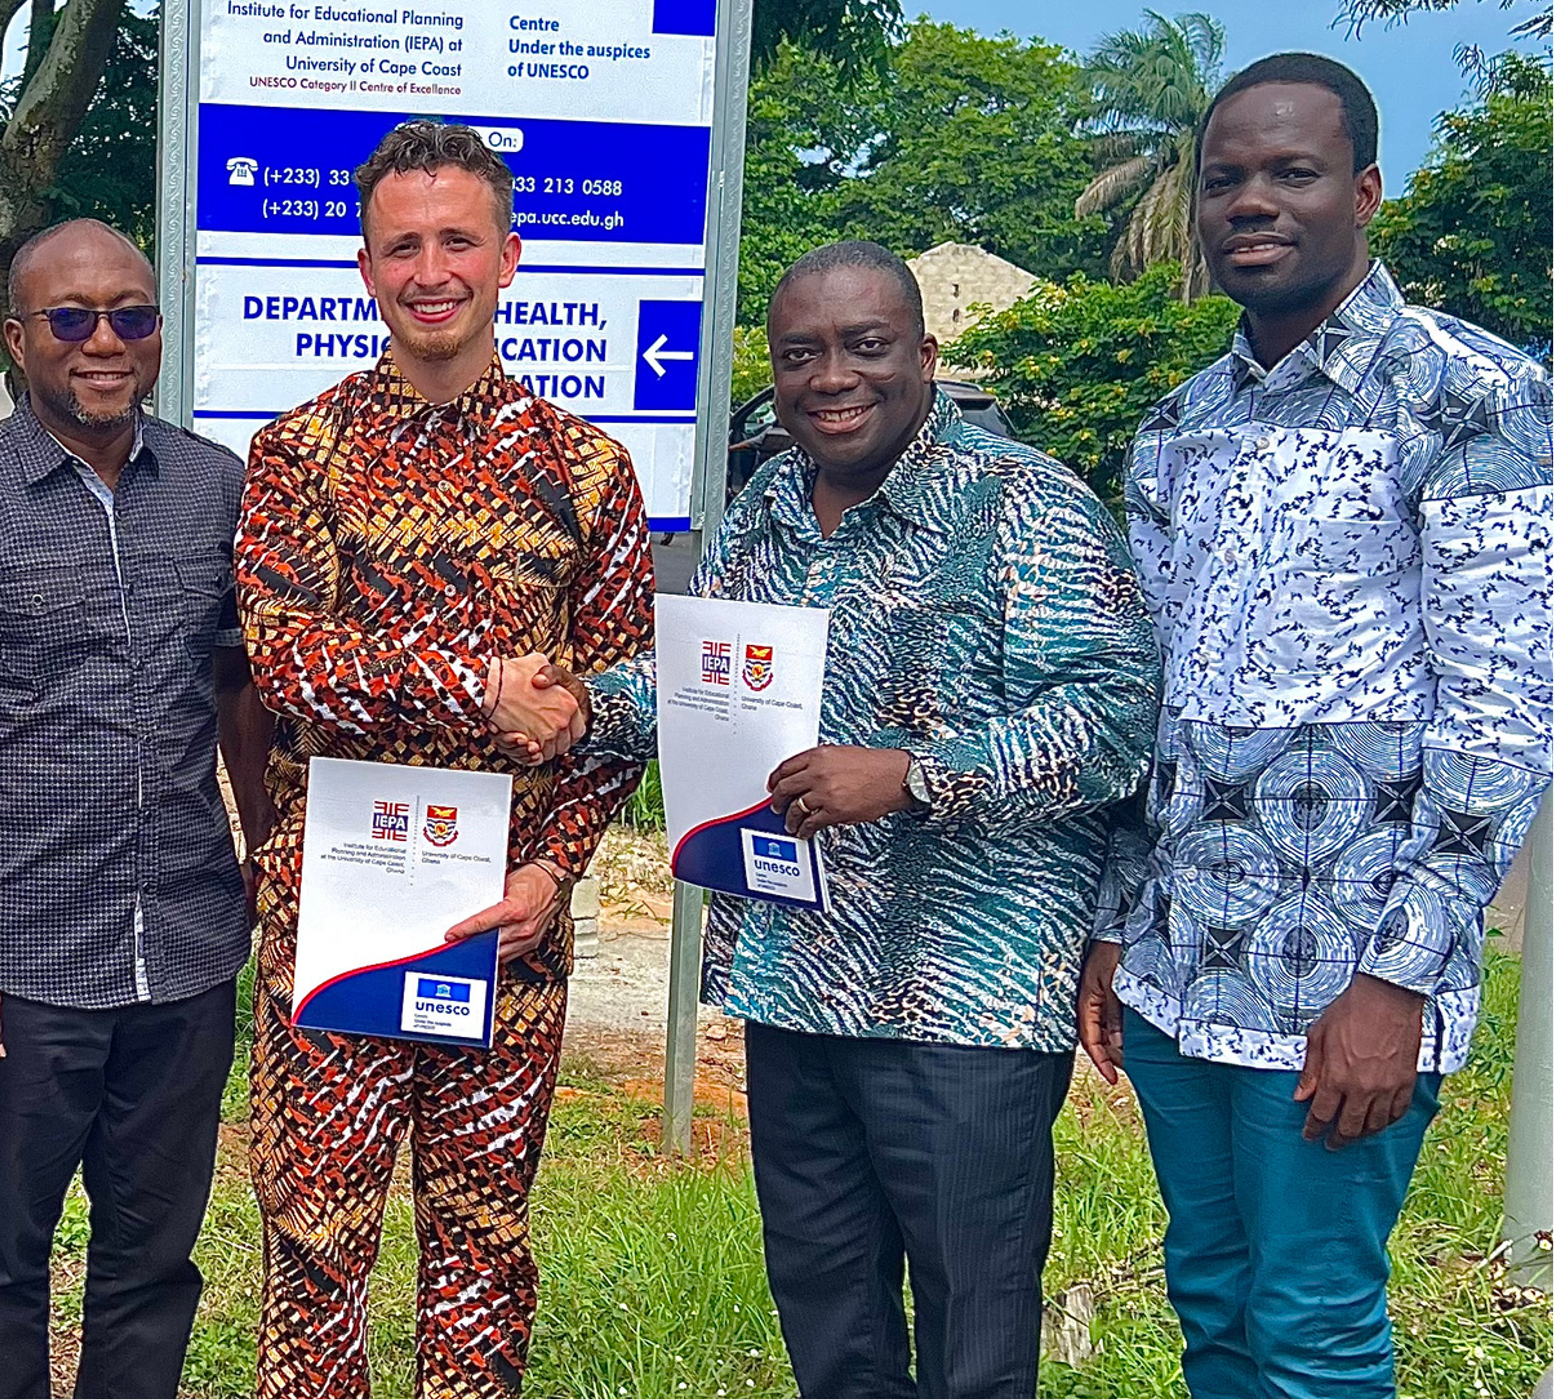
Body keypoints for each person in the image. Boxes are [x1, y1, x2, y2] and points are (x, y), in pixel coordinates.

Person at [575, 241, 1161, 1398]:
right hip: (794, 976)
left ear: (924, 357)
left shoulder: (1025, 506)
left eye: (864, 346)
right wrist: (577, 706)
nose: (830, 376)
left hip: (966, 998)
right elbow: (703, 686)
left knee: (972, 1329)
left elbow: (1114, 719)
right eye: (800, 354)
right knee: (829, 1314)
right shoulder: (767, 505)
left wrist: (912, 773)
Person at [1081, 54, 1554, 1400]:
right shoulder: (1178, 430)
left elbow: (1501, 718)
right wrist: (1117, 922)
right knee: (1211, 1303)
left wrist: (1393, 981)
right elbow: (1155, 709)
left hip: (1345, 984)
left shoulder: (1472, 397)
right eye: (1223, 179)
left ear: (1361, 192)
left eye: (1288, 174)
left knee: (1311, 1327)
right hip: (1180, 975)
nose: (1250, 204)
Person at [236, 120, 650, 1398]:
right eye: (401, 244)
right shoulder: (298, 454)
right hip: (331, 917)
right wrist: (481, 688)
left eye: (456, 239)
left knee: (480, 1240)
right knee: (314, 1237)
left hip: (506, 923)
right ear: (363, 268)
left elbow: (626, 700)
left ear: (508, 255)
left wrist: (555, 870)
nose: (430, 268)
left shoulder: (585, 468)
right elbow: (284, 662)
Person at [0, 217, 271, 1400]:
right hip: (19, 961)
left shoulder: (216, 489)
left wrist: (269, 865)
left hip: (189, 951)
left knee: (153, 1261)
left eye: (130, 316)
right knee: (4, 1261)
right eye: (71, 318)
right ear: (13, 338)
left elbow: (237, 694)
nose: (104, 341)